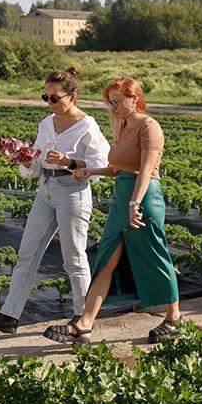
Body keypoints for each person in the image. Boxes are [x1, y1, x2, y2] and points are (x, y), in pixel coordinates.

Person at [52, 77, 182, 344]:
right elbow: (118, 168)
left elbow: (145, 169)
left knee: (154, 254)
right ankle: (85, 323)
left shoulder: (149, 126)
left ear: (134, 98)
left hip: (143, 198)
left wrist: (135, 204)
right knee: (107, 256)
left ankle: (174, 317)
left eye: (117, 102)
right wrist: (91, 170)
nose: (114, 108)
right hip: (122, 196)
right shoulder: (122, 127)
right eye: (110, 103)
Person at [0, 67, 110, 333]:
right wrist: (20, 157)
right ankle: (9, 315)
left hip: (72, 192)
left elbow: (103, 163)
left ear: (72, 96)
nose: (49, 103)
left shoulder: (87, 125)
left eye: (54, 98)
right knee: (27, 254)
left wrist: (69, 162)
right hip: (45, 190)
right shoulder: (46, 124)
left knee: (73, 258)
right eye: (46, 98)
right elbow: (37, 162)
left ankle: (82, 317)